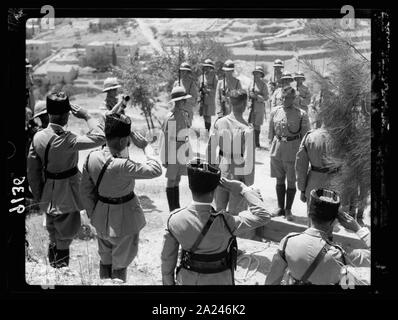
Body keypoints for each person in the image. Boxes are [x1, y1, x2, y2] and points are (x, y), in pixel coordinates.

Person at [161, 158, 273, 285]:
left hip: (188, 280)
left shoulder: (174, 219)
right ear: (214, 191)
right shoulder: (226, 221)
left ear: (190, 186)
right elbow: (263, 215)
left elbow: (167, 259)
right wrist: (243, 188)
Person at [80, 113, 162, 282]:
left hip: (101, 216)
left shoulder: (92, 157)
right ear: (122, 140)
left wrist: (93, 214)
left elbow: (85, 192)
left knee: (105, 260)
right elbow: (156, 169)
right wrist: (146, 147)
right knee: (120, 265)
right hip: (124, 219)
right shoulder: (122, 164)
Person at [27, 92, 106, 268]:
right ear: (66, 115)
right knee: (65, 237)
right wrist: (86, 115)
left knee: (53, 234)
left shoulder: (38, 137)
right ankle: (60, 272)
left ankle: (53, 270)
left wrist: (41, 198)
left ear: (49, 114)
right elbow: (101, 136)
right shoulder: (67, 139)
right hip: (67, 194)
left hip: (48, 193)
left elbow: (32, 172)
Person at [265, 188, 370, 285]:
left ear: (309, 215)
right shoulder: (342, 254)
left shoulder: (288, 242)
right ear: (334, 222)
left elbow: (272, 280)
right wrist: (358, 228)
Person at [207, 89, 255, 217]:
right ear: (244, 104)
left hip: (221, 168)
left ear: (230, 103)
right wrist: (249, 183)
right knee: (236, 214)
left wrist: (211, 171)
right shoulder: (247, 128)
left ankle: (219, 236)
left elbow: (211, 148)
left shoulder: (220, 122)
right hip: (238, 172)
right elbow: (249, 158)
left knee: (219, 211)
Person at [268, 86, 310, 221]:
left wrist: (303, 156)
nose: (285, 100)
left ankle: (288, 210)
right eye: (283, 97)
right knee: (279, 179)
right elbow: (271, 133)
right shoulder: (275, 112)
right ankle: (280, 207)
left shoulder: (301, 114)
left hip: (292, 151)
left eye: (288, 98)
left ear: (294, 98)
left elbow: (305, 137)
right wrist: (271, 147)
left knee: (291, 181)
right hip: (277, 150)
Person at [295, 121, 338, 225]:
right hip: (334, 183)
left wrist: (302, 189)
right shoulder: (341, 138)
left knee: (312, 220)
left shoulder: (310, 136)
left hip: (313, 183)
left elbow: (301, 166)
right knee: (330, 221)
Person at [161, 86, 193, 212]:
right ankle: (172, 209)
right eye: (182, 100)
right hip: (173, 152)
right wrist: (165, 158)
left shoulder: (183, 114)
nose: (184, 102)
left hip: (182, 150)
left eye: (185, 100)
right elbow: (167, 140)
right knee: (171, 179)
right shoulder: (171, 117)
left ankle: (177, 207)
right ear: (177, 101)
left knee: (178, 178)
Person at [248, 65, 269, 148]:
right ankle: (250, 142)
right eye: (255, 73)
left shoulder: (263, 85)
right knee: (250, 124)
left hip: (259, 107)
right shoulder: (250, 83)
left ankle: (257, 143)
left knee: (257, 124)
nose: (256, 75)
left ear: (261, 75)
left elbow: (266, 97)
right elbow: (247, 94)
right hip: (251, 106)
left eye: (258, 73)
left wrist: (256, 96)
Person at [173, 62, 198, 128]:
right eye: (181, 71)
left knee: (183, 134)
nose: (182, 73)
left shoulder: (191, 83)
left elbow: (194, 99)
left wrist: (184, 98)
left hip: (186, 111)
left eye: (184, 71)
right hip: (176, 111)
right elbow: (172, 98)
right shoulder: (176, 83)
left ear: (188, 72)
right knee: (172, 132)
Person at [198, 59, 218, 132]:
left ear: (211, 68)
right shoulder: (201, 76)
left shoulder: (214, 77)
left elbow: (216, 89)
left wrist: (208, 91)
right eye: (205, 67)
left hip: (210, 99)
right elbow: (199, 88)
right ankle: (206, 130)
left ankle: (208, 131)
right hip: (203, 99)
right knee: (204, 115)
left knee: (208, 116)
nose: (206, 68)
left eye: (208, 67)